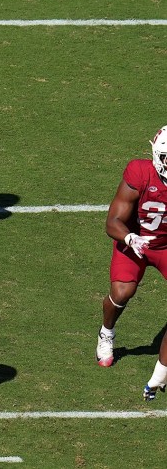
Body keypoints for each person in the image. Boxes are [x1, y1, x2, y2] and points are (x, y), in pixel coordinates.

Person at [96, 126, 167, 400]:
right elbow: (112, 221)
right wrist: (129, 237)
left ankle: (160, 373)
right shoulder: (140, 172)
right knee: (122, 291)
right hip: (136, 241)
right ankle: (106, 332)